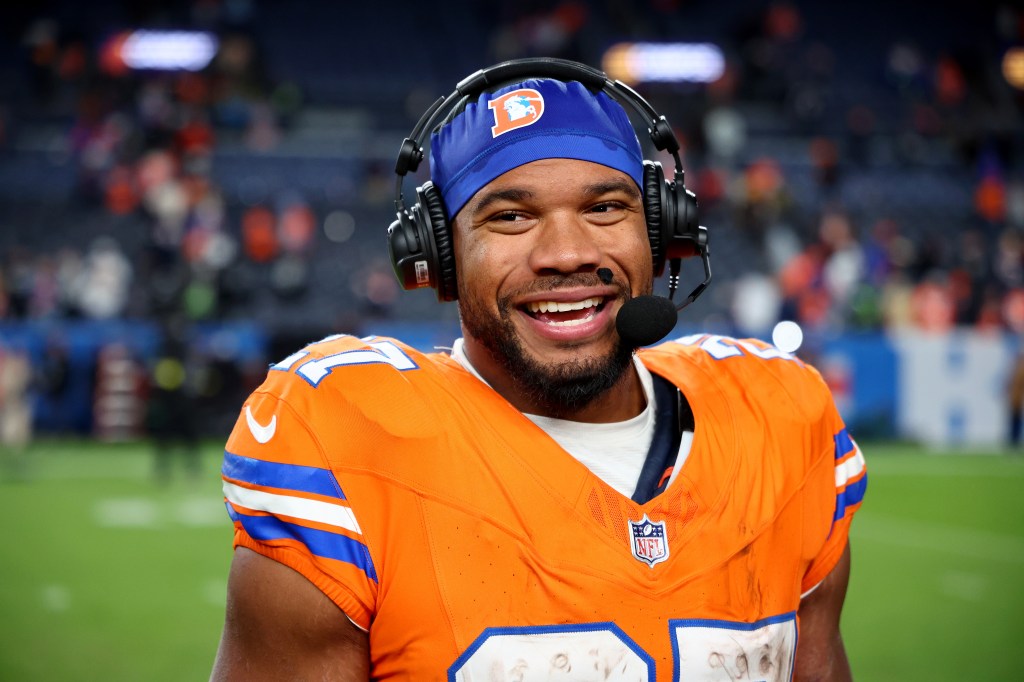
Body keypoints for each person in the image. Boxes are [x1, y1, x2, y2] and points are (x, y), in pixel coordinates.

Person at [211, 59, 866, 681]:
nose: (567, 253)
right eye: (512, 216)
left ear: (664, 232)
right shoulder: (349, 437)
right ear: (439, 256)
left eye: (605, 207)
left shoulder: (778, 417)